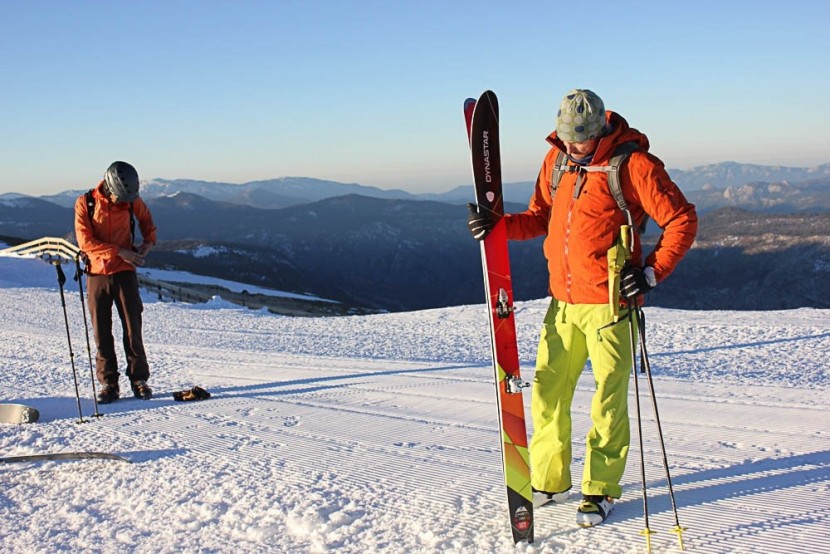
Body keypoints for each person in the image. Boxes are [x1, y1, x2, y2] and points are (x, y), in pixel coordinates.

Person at [467, 89, 697, 527]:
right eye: (567, 139)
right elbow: (539, 217)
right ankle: (551, 479)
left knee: (607, 402)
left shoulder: (633, 165)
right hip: (563, 304)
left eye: (581, 141)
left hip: (611, 304)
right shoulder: (557, 162)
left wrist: (651, 273)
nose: (573, 148)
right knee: (547, 394)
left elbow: (682, 218)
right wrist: (498, 227)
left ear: (600, 130)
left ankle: (601, 489)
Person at [74, 161, 158, 404]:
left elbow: (148, 224)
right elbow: (86, 243)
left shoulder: (132, 200)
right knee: (102, 331)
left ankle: (139, 379)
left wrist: (147, 243)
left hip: (125, 272)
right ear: (110, 188)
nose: (125, 202)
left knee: (133, 328)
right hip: (97, 274)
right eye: (121, 197)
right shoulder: (86, 203)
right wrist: (120, 251)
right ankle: (109, 383)